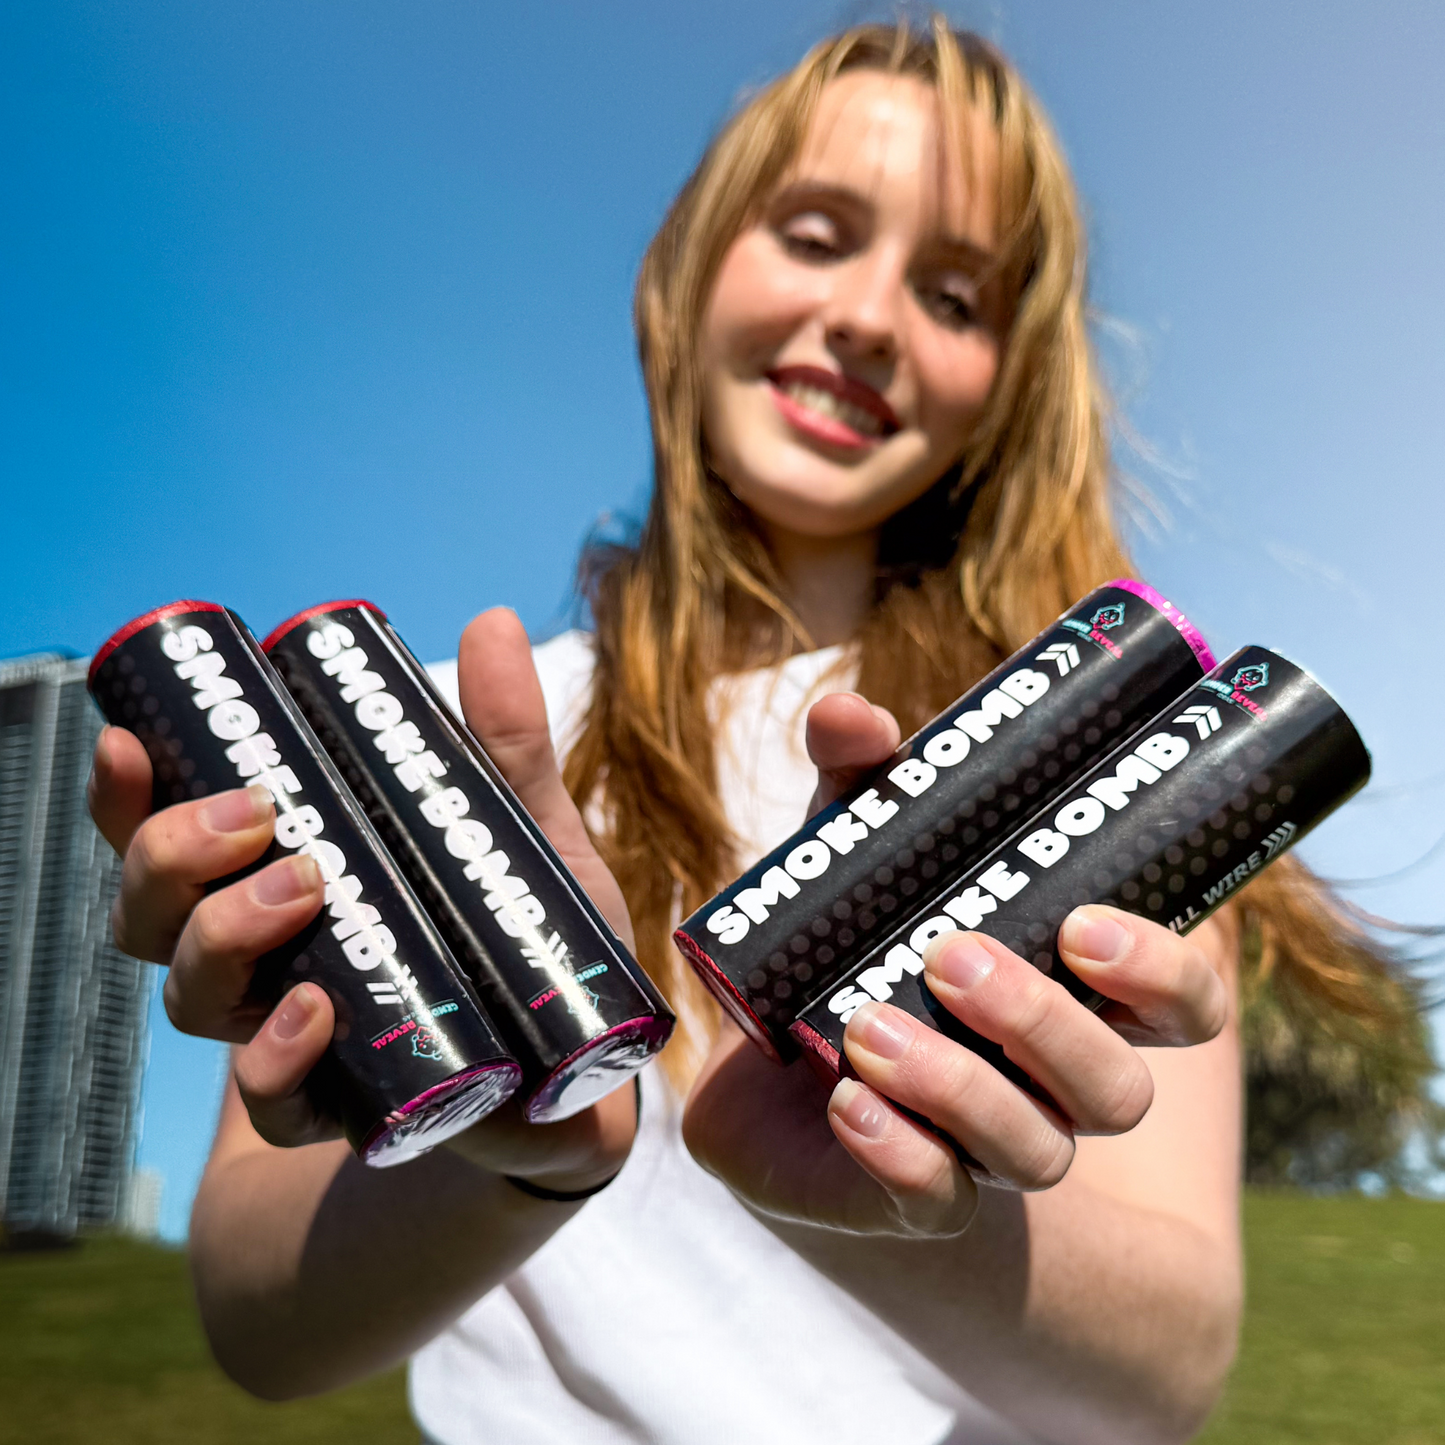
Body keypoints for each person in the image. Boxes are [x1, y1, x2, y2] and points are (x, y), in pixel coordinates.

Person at [86, 19, 1403, 1445]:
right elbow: (258, 1327)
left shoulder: (1094, 767)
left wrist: (882, 1184)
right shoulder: (447, 737)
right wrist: (516, 1156)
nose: (872, 320)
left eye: (956, 297)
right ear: (686, 274)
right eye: (818, 234)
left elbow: (1170, 1376)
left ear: (1008, 389)